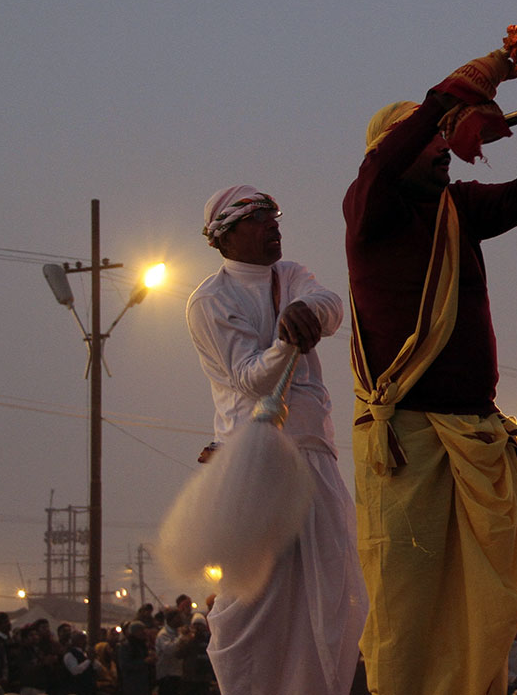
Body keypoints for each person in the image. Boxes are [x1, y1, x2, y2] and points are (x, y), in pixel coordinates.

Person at [345, 49, 517, 695]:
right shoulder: (370, 212)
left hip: (474, 438)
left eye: (446, 138)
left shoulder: (456, 209)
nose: (445, 149)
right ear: (394, 150)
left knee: (486, 609)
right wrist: (448, 99)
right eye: (431, 140)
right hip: (408, 448)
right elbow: (387, 161)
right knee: (409, 609)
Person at [187, 184, 367, 695]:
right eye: (259, 218)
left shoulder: (290, 275)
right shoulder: (210, 300)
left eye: (275, 215)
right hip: (257, 465)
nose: (273, 225)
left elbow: (330, 305)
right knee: (254, 606)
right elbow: (248, 378)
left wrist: (310, 314)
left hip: (315, 455)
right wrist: (288, 338)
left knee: (333, 592)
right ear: (226, 236)